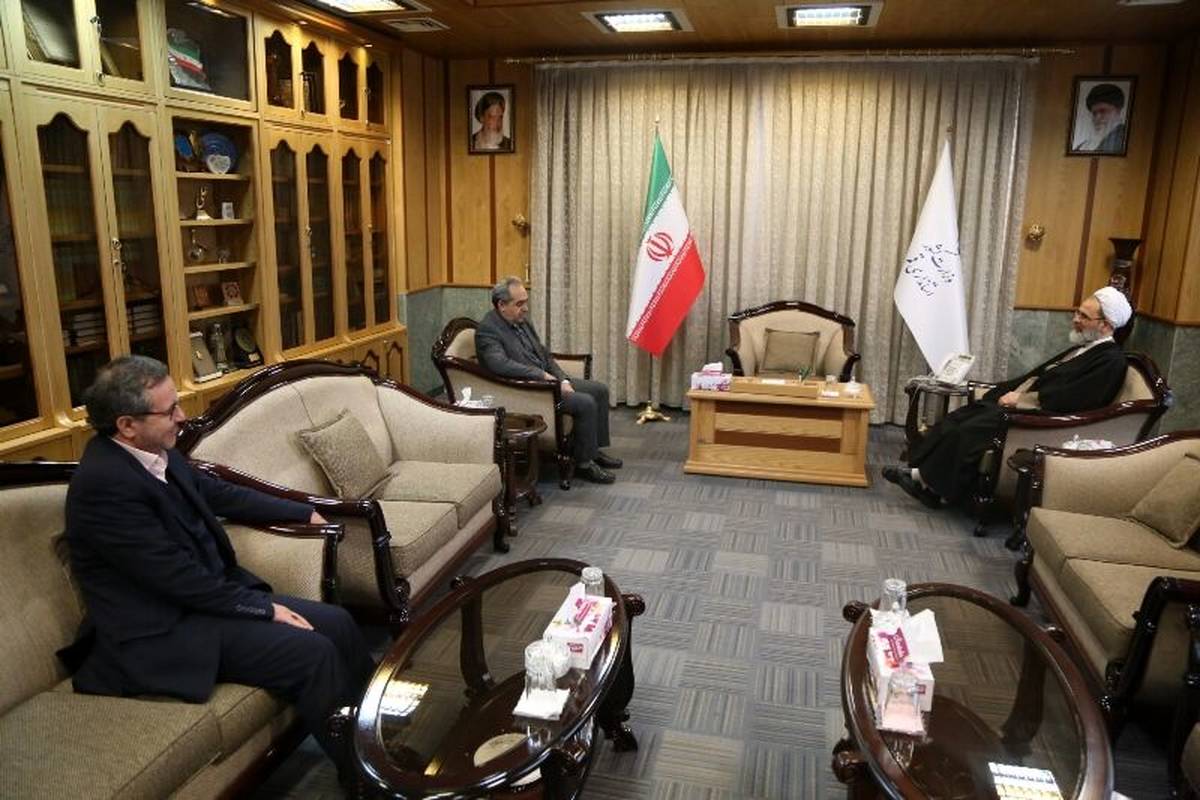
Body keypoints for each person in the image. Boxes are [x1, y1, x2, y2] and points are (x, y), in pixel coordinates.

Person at [58, 355, 375, 777]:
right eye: (169, 410)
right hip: (161, 630)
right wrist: (263, 608)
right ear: (127, 425)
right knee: (312, 653)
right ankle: (363, 775)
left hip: (203, 606)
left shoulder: (156, 452)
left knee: (338, 623)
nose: (182, 417)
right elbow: (175, 578)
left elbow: (220, 494)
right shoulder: (103, 486)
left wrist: (303, 511)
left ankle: (379, 738)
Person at [883, 286, 1132, 508]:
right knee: (960, 417)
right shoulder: (1085, 348)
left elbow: (1075, 399)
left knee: (968, 430)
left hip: (1045, 419)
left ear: (1106, 325)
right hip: (1029, 407)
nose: (1076, 319)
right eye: (1077, 312)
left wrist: (1021, 400)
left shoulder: (1111, 361)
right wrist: (1005, 391)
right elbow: (1041, 376)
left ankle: (922, 481)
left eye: (1084, 317)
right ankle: (926, 483)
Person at [476, 276, 622, 484]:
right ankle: (584, 465)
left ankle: (592, 451)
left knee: (599, 390)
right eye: (519, 304)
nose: (525, 308)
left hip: (549, 382)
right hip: (531, 390)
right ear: (501, 305)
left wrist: (562, 380)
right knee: (585, 403)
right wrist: (541, 375)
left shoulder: (521, 321)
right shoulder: (488, 330)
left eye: (526, 302)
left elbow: (544, 354)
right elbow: (500, 365)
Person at [1074, 83, 1128, 154]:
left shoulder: (1125, 138)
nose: (1097, 117)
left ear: (1118, 110)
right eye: (1094, 113)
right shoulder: (1083, 146)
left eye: (1103, 111)